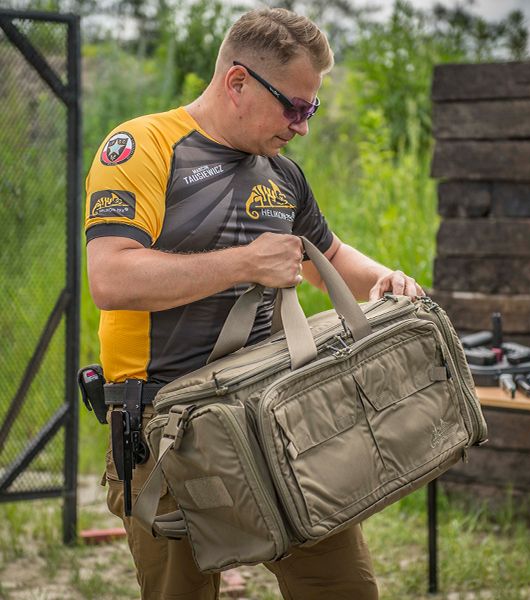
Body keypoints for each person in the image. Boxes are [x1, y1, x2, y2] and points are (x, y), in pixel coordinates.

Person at [85, 7, 424, 600]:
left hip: (277, 423)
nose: (303, 127)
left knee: (344, 588)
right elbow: (111, 277)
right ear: (238, 81)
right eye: (294, 107)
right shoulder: (143, 147)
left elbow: (329, 256)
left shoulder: (283, 175)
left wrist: (384, 280)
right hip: (167, 436)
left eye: (311, 109)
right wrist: (243, 264)